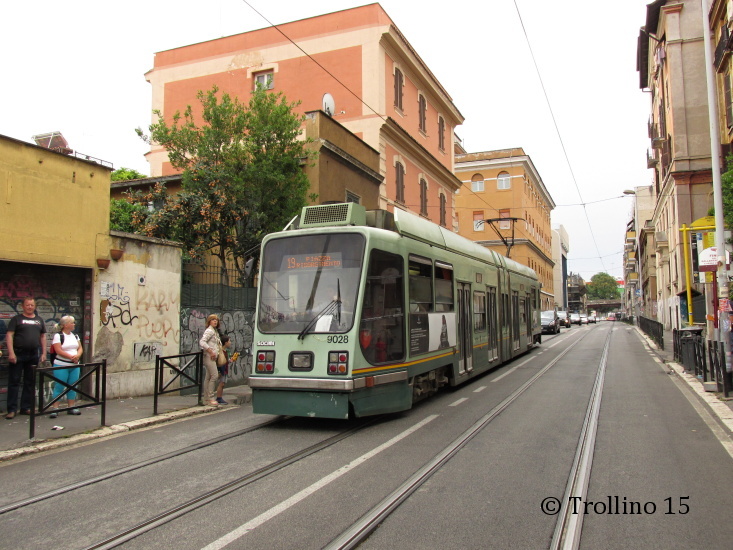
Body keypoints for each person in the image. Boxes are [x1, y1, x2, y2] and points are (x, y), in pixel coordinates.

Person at [5, 297, 47, 419]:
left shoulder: (39, 320)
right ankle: (12, 410)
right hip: (18, 354)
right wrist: (11, 353)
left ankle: (26, 407)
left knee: (30, 382)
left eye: (32, 305)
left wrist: (44, 353)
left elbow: (43, 337)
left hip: (33, 354)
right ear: (22, 306)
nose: (30, 307)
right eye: (27, 305)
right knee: (14, 382)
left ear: (35, 306)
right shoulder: (16, 319)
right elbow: (9, 335)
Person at [48, 316, 83, 418]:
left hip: (74, 365)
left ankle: (71, 407)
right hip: (61, 365)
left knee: (73, 386)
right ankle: (55, 408)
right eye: (72, 323)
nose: (74, 324)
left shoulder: (75, 336)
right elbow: (58, 350)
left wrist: (78, 355)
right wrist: (71, 357)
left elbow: (80, 347)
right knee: (59, 386)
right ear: (66, 325)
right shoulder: (58, 336)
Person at [199, 314, 222, 407]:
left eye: (216, 320)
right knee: (214, 376)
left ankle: (206, 399)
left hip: (212, 357)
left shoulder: (214, 331)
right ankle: (211, 397)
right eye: (212, 320)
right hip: (209, 357)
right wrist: (210, 351)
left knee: (208, 377)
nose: (215, 321)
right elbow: (202, 342)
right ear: (209, 321)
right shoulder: (209, 331)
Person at [216, 335, 232, 405]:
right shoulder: (221, 351)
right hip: (222, 369)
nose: (230, 342)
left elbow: (226, 361)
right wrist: (219, 371)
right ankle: (218, 398)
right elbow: (220, 361)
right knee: (221, 383)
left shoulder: (226, 351)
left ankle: (220, 397)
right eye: (229, 341)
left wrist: (230, 360)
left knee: (223, 384)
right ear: (225, 343)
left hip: (225, 369)